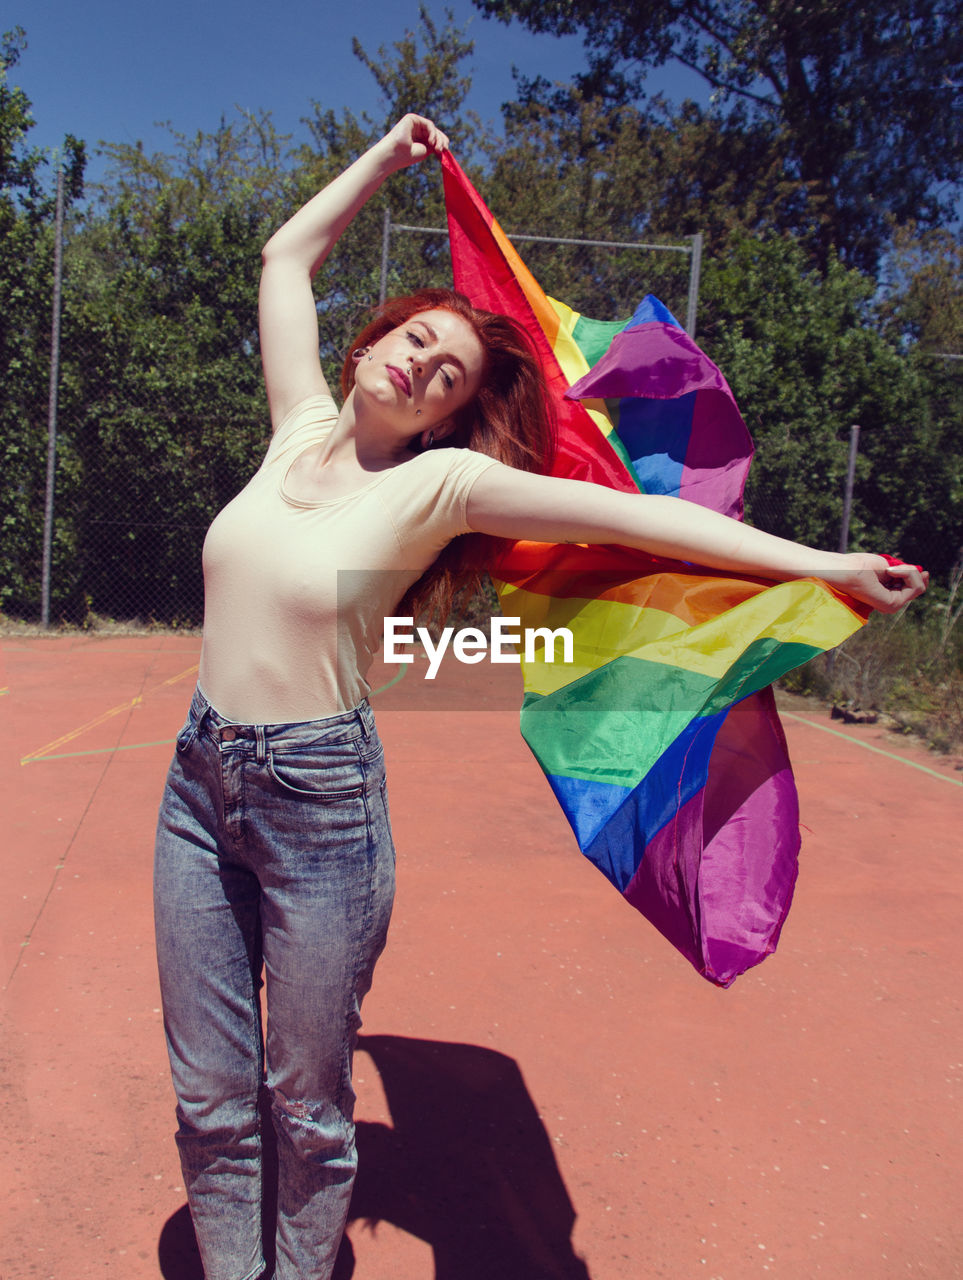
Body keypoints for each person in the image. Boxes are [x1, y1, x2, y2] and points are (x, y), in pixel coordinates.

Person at [153, 113, 928, 1280]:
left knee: (302, 1102)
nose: (418, 359)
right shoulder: (294, 429)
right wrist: (388, 155)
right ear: (376, 339)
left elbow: (638, 519)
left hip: (319, 802)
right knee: (212, 1096)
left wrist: (821, 565)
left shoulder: (447, 485)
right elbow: (282, 259)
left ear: (448, 415)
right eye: (414, 336)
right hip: (194, 783)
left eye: (446, 372)